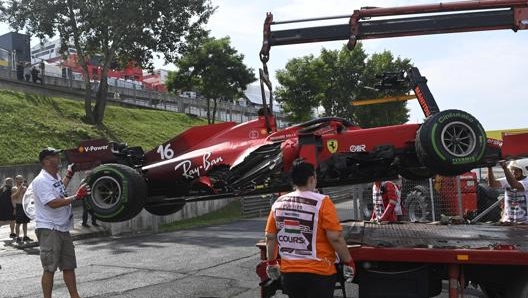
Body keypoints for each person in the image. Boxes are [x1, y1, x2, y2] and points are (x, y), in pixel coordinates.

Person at [264, 160, 355, 298]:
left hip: (290, 274)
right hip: (320, 272)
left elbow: (270, 237)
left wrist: (271, 262)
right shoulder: (323, 202)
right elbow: (335, 238)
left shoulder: (279, 203)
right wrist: (348, 261)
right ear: (312, 179)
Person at [32, 147, 91, 298]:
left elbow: (59, 190)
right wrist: (76, 197)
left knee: (69, 266)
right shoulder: (41, 180)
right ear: (46, 161)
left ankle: (75, 296)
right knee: (49, 268)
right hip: (49, 229)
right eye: (55, 156)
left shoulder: (55, 176)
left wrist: (69, 175)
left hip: (62, 227)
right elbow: (52, 202)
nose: (59, 158)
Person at [488, 158, 528, 223]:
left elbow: (515, 185)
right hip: (508, 222)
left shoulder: (527, 181)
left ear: (523, 171)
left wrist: (505, 168)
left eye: (517, 170)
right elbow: (492, 184)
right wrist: (489, 168)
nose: (514, 172)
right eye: (512, 169)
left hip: (525, 223)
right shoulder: (508, 179)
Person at [12, 175, 31, 243]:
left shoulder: (25, 188)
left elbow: (28, 196)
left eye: (21, 179)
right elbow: (14, 197)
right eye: (19, 179)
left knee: (25, 222)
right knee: (18, 223)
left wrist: (27, 188)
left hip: (25, 205)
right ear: (16, 180)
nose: (20, 181)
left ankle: (25, 236)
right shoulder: (14, 188)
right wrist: (20, 189)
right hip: (18, 206)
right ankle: (17, 237)